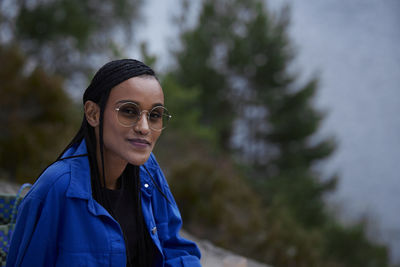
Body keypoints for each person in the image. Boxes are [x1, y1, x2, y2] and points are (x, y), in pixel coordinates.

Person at [6, 59, 202, 267]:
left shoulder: (148, 171)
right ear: (93, 114)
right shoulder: (56, 188)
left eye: (155, 115)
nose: (144, 127)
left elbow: (175, 248)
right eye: (128, 111)